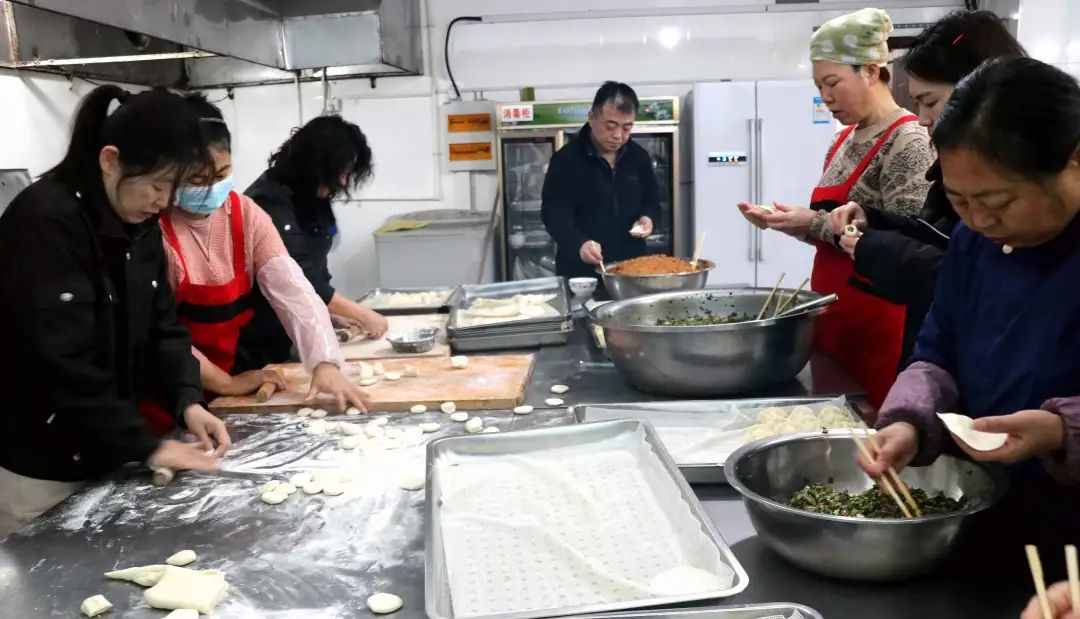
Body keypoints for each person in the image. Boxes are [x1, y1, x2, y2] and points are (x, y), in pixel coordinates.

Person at [862, 57, 1080, 581]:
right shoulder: (974, 241)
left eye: (998, 200)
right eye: (960, 201)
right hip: (986, 519)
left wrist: (1061, 430)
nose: (980, 220)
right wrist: (909, 422)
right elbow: (939, 348)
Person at [0, 86, 230, 537]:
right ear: (110, 160)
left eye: (174, 189)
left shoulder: (138, 223)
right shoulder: (45, 224)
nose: (163, 202)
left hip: (106, 452)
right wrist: (145, 445)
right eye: (157, 185)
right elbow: (60, 361)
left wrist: (187, 401)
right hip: (42, 469)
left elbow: (163, 328)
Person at [737, 8, 935, 407]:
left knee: (873, 421)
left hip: (880, 322)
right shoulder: (841, 140)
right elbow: (831, 232)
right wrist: (789, 223)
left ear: (871, 71)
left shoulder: (909, 140)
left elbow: (907, 244)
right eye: (819, 86)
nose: (825, 97)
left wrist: (814, 222)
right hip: (833, 315)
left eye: (832, 83)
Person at [138, 95, 371, 435]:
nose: (211, 187)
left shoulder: (246, 215)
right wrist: (226, 382)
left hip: (226, 389)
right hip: (166, 395)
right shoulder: (152, 230)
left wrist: (324, 362)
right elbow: (158, 334)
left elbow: (294, 290)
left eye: (222, 173)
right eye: (197, 180)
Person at [826, 10, 1026, 366]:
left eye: (930, 102)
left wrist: (876, 247)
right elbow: (945, 240)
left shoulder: (1024, 176)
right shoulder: (953, 164)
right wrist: (875, 220)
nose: (921, 119)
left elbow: (976, 281)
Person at [243, 116, 387, 372]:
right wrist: (362, 313)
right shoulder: (269, 201)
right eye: (341, 172)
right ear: (315, 165)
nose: (343, 182)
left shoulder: (312, 197)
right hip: (261, 337)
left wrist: (327, 312)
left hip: (292, 328)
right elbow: (300, 276)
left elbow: (317, 265)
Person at [541, 81, 659, 278]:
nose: (618, 136)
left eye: (627, 128)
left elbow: (652, 201)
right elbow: (553, 213)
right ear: (592, 118)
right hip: (581, 272)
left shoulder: (638, 157)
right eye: (610, 126)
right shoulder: (566, 160)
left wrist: (648, 218)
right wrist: (579, 244)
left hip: (631, 270)